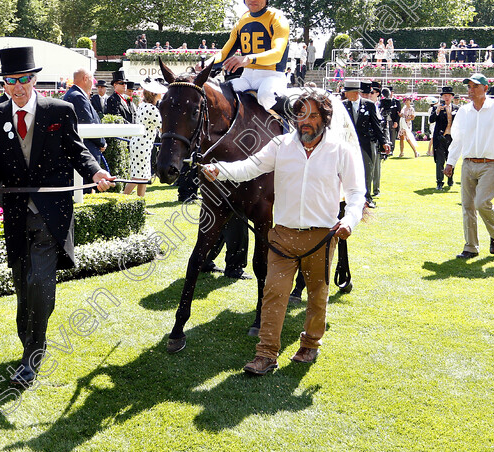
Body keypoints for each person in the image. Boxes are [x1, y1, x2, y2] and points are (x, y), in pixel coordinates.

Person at [201, 90, 365, 373]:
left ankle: (310, 344)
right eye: (301, 114)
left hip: (321, 237)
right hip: (283, 237)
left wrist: (349, 220)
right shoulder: (280, 145)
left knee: (316, 294)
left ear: (325, 119)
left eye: (313, 115)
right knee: (274, 293)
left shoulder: (341, 150)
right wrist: (220, 170)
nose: (306, 121)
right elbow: (249, 167)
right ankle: (265, 354)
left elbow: (355, 192)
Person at [0, 46, 113, 387]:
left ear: (34, 79)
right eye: (11, 81)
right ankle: (30, 341)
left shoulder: (60, 110)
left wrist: (96, 173)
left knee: (41, 282)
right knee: (23, 284)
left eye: (23, 80)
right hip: (16, 214)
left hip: (51, 214)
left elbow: (76, 150)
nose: (18, 87)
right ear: (4, 83)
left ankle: (31, 357)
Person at [445, 73, 494, 259]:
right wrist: (450, 162)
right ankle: (470, 247)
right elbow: (458, 140)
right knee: (468, 206)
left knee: (481, 203)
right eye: (469, 87)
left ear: (485, 89)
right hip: (468, 163)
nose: (470, 90)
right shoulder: (464, 112)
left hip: (491, 164)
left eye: (474, 86)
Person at [213, 0, 290, 111]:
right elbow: (224, 54)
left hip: (272, 77)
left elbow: (277, 54)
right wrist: (204, 64)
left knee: (266, 95)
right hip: (247, 77)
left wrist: (247, 59)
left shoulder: (277, 18)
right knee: (220, 93)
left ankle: (291, 130)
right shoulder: (242, 20)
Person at [342, 79, 388, 208]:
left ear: (356, 92)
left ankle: (367, 198)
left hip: (365, 143)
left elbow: (376, 124)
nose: (345, 94)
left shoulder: (369, 105)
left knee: (367, 170)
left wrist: (383, 142)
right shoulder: (343, 105)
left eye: (348, 92)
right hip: (348, 144)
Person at [123, 78, 165, 198]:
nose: (161, 94)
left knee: (143, 176)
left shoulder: (143, 105)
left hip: (140, 143)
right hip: (143, 144)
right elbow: (162, 127)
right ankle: (122, 199)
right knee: (138, 177)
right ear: (153, 94)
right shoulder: (152, 109)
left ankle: (140, 204)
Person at [62, 68, 106, 167]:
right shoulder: (77, 97)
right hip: (86, 152)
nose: (93, 84)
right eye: (92, 80)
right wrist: (102, 143)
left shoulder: (74, 94)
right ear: (85, 78)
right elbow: (88, 124)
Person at [429, 87, 457, 191]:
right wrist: (437, 111)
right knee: (440, 161)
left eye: (448, 95)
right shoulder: (437, 108)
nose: (446, 97)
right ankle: (439, 182)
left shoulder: (457, 108)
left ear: (452, 97)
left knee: (451, 159)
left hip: (452, 138)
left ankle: (450, 179)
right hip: (440, 138)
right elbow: (431, 120)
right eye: (445, 95)